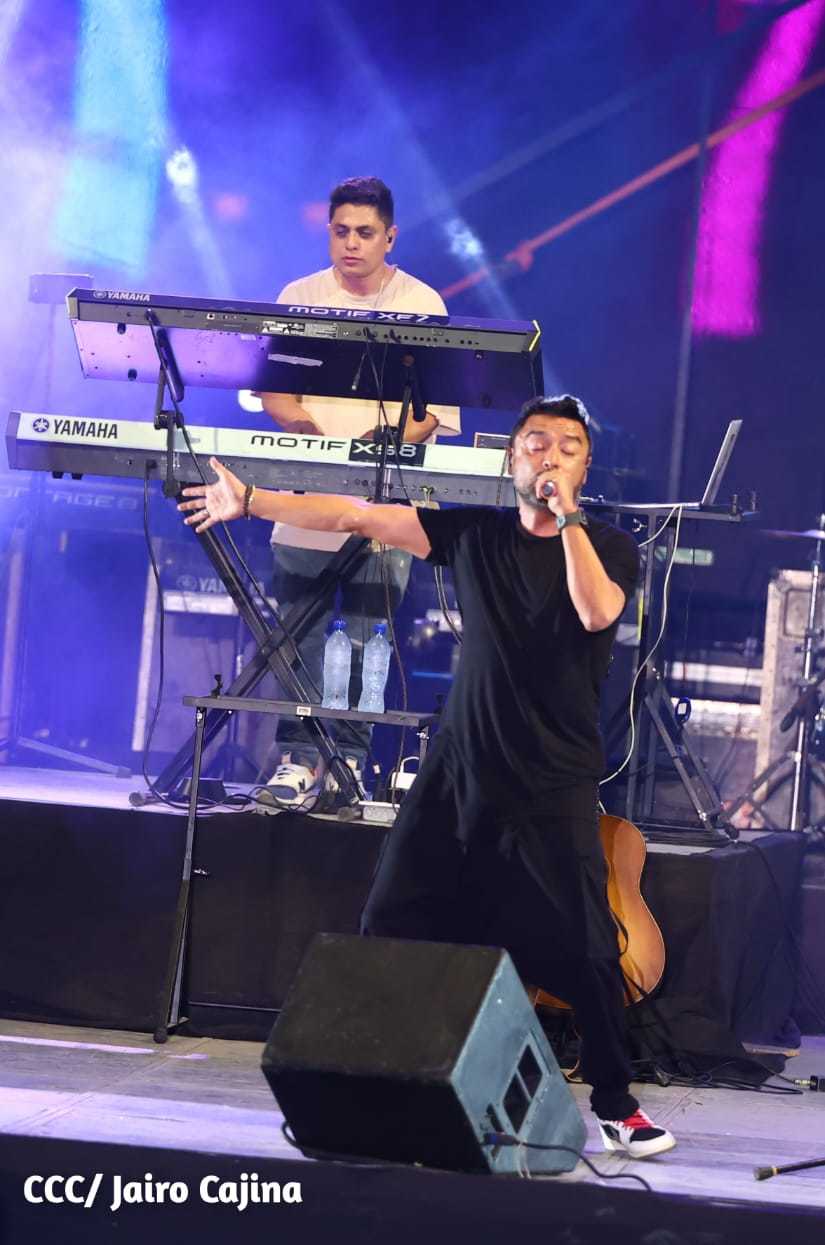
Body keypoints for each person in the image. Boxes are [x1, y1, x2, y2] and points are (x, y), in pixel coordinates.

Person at [178, 393, 676, 1159]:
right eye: (535, 442)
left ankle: (616, 1105)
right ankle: (361, 1082)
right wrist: (251, 500)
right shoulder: (473, 533)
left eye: (566, 446)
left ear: (582, 466)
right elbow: (356, 517)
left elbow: (594, 613)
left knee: (585, 947)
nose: (548, 455)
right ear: (510, 458)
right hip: (458, 768)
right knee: (389, 915)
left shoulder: (605, 544)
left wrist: (568, 519)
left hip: (552, 778)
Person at [256, 175, 460, 807]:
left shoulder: (422, 302)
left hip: (386, 503)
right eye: (341, 231)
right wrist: (304, 430)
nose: (351, 243)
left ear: (389, 237)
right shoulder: (299, 296)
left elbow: (435, 412)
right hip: (307, 496)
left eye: (365, 233)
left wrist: (385, 442)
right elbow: (274, 391)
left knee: (371, 637)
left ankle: (347, 760)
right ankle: (298, 760)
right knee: (300, 634)